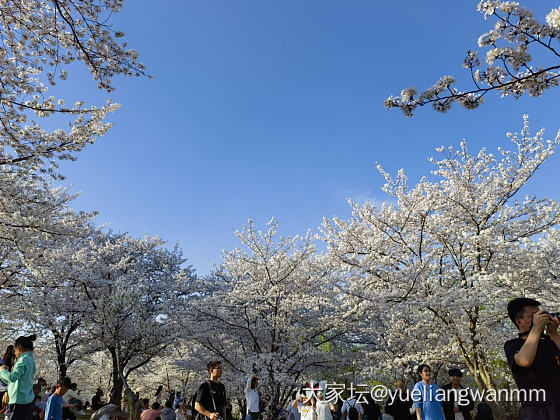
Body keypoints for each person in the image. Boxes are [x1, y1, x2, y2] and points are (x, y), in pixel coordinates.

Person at [504, 298, 560, 419]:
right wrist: (536, 329)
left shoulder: (549, 341)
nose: (539, 318)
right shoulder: (512, 345)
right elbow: (525, 361)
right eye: (534, 315)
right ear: (519, 322)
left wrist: (554, 334)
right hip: (537, 412)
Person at [0, 335, 37, 420]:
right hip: (27, 400)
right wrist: (3, 373)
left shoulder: (23, 360)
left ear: (18, 349)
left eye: (14, 351)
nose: (15, 353)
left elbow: (12, 378)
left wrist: (2, 371)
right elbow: (16, 380)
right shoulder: (30, 359)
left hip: (18, 401)